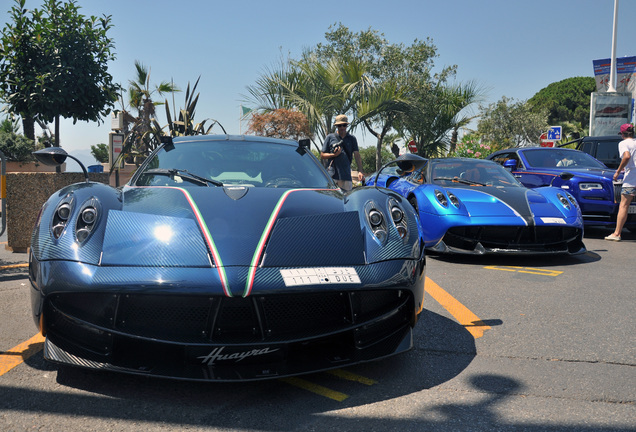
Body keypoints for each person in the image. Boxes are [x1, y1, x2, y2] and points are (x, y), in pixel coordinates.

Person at [605, 123, 636, 241]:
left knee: (623, 206)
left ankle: (617, 233)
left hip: (631, 179)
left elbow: (627, 156)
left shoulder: (623, 143)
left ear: (622, 134)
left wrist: (618, 171)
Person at [321, 115, 364, 191]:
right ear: (337, 126)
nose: (342, 127)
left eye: (344, 125)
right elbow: (322, 155)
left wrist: (360, 171)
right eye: (339, 125)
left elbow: (357, 155)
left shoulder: (352, 139)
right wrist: (334, 155)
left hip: (346, 175)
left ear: (347, 125)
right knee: (331, 199)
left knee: (346, 199)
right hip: (332, 175)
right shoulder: (330, 137)